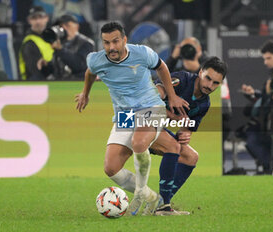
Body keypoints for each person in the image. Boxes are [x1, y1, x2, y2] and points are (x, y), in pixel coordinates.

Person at [74, 22, 189, 216]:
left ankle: (140, 190)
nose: (111, 47)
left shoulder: (142, 53)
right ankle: (153, 198)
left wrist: (172, 96)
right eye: (106, 43)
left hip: (150, 107)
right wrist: (86, 93)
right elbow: (90, 73)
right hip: (125, 115)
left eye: (116, 41)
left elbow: (162, 67)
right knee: (111, 168)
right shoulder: (96, 60)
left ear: (124, 40)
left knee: (139, 142)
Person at [151, 57, 227, 215]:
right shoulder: (182, 80)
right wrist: (173, 116)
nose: (209, 85)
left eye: (215, 83)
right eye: (207, 78)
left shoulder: (204, 105)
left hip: (158, 131)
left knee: (191, 157)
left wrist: (185, 134)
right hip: (137, 122)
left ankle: (159, 203)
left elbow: (186, 129)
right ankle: (163, 206)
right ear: (200, 72)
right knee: (173, 146)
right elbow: (150, 99)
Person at [37, 14, 95, 80]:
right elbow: (57, 69)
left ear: (77, 27)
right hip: (61, 84)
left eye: (67, 25)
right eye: (61, 26)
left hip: (79, 84)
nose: (64, 29)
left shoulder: (86, 43)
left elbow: (79, 65)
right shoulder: (60, 43)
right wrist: (46, 66)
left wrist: (60, 50)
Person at [19, 6, 53, 80]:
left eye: (40, 17)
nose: (38, 21)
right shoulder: (29, 43)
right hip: (35, 86)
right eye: (34, 18)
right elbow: (36, 72)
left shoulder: (52, 38)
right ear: (29, 20)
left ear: (46, 18)